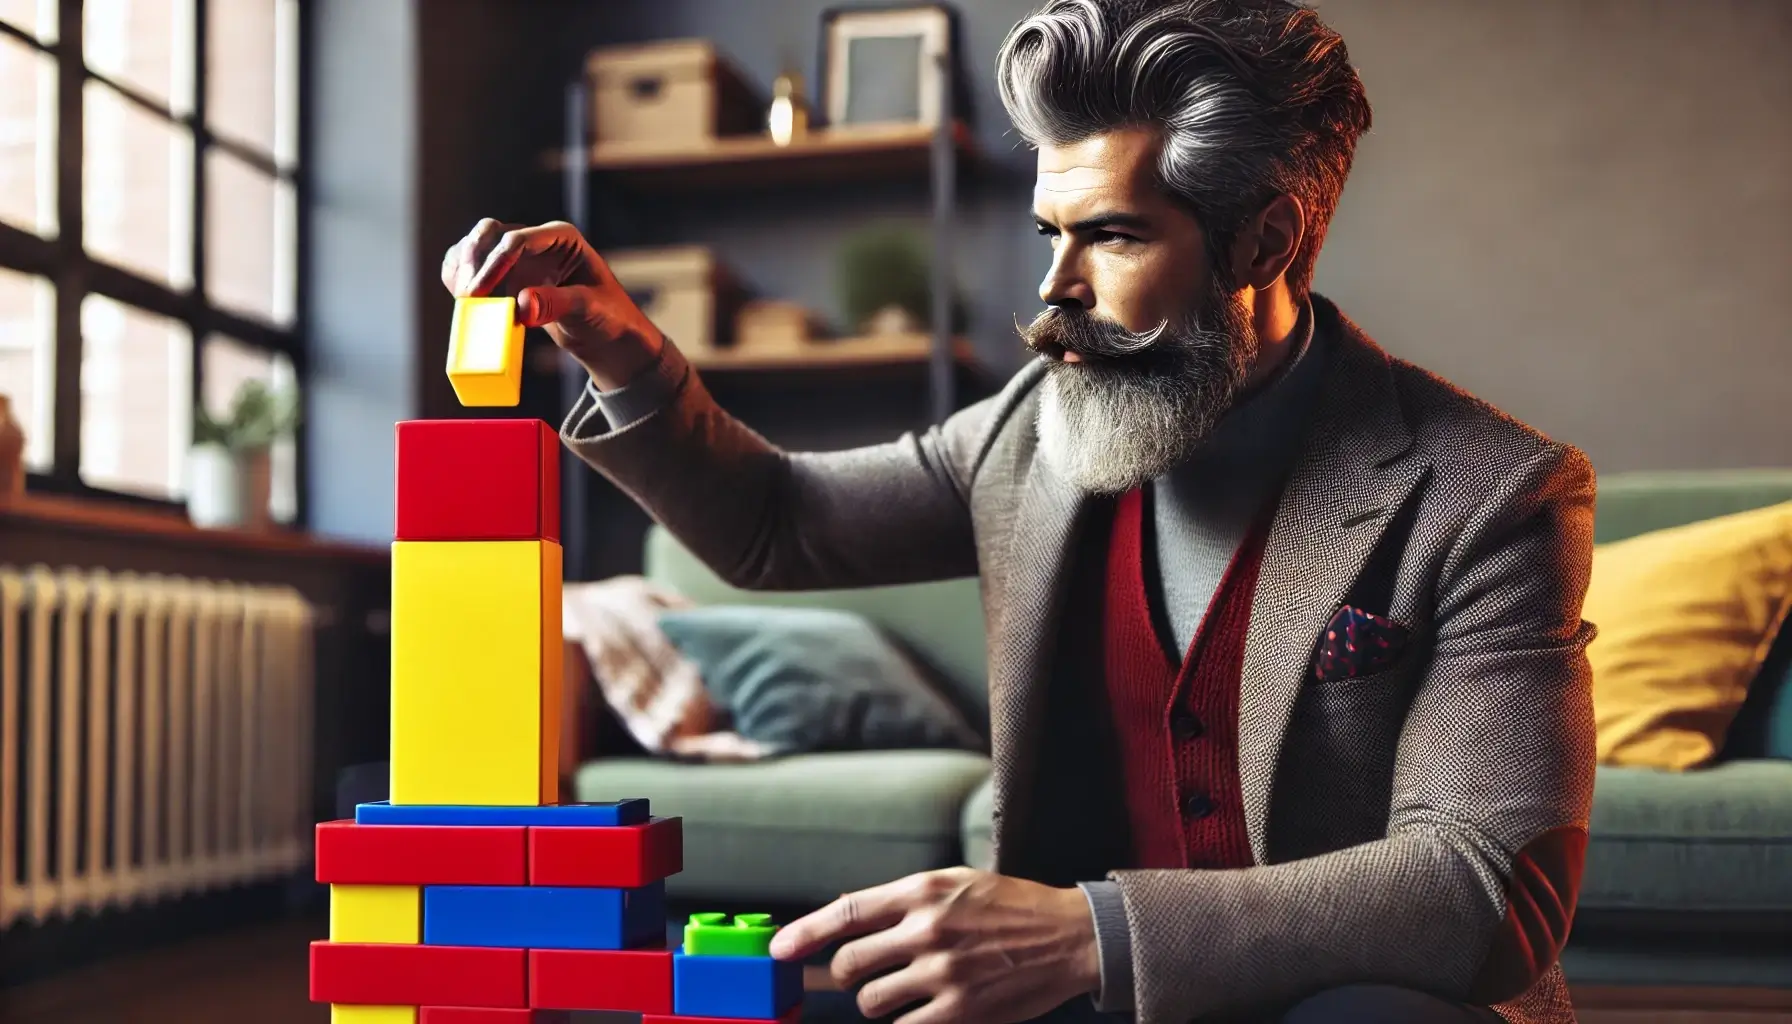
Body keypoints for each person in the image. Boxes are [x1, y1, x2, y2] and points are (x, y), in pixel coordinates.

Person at [438, 1, 1596, 1021]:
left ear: (1267, 237)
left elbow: (1484, 883)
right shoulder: (1031, 426)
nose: (1053, 288)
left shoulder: (1492, 491)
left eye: (1112, 235)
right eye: (1053, 231)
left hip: (1337, 997)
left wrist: (1090, 932)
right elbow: (777, 523)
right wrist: (622, 350)